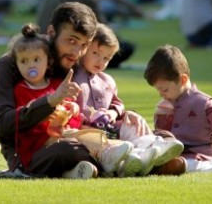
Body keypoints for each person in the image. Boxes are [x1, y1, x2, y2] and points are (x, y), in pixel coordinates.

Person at [0, 2, 100, 178]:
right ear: (51, 32)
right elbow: (3, 126)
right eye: (71, 40)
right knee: (70, 148)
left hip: (76, 135)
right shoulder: (10, 65)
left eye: (84, 45)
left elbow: (104, 95)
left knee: (150, 133)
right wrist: (49, 102)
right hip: (31, 154)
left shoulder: (75, 61)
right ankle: (111, 158)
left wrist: (123, 114)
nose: (76, 52)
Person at [9, 23, 133, 179]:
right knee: (77, 141)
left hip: (63, 134)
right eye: (24, 61)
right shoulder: (21, 89)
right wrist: (47, 111)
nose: (31, 65)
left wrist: (73, 109)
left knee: (85, 138)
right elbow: (24, 119)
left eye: (36, 59)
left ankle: (81, 170)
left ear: (48, 61)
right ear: (17, 63)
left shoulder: (56, 84)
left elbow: (70, 111)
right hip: (41, 143)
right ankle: (108, 163)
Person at [73, 24, 185, 177]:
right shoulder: (72, 76)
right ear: (84, 49)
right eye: (96, 53)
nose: (101, 61)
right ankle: (136, 157)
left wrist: (112, 113)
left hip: (111, 128)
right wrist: (84, 118)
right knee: (98, 141)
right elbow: (68, 105)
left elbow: (117, 104)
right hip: (87, 131)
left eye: (106, 58)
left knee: (132, 123)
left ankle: (146, 150)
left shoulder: (107, 80)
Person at [143, 45, 212, 173]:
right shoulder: (165, 105)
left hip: (197, 156)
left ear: (183, 79)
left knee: (193, 165)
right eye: (158, 90)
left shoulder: (202, 101)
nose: (161, 94)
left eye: (164, 89)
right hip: (168, 154)